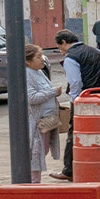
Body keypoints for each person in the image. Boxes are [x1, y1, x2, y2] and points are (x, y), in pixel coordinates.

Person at [49, 29, 100, 182]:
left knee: (74, 134)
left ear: (64, 42)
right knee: (98, 133)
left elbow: (75, 82)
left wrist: (75, 100)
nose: (60, 50)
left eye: (59, 46)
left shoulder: (71, 57)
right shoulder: (95, 51)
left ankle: (69, 170)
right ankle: (95, 166)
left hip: (83, 99)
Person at [26, 44, 61, 183]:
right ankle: (34, 182)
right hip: (38, 119)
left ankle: (35, 180)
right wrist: (53, 92)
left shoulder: (39, 71)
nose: (42, 60)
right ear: (28, 61)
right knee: (36, 151)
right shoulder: (27, 74)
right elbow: (32, 98)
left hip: (49, 118)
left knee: (43, 149)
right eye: (38, 57)